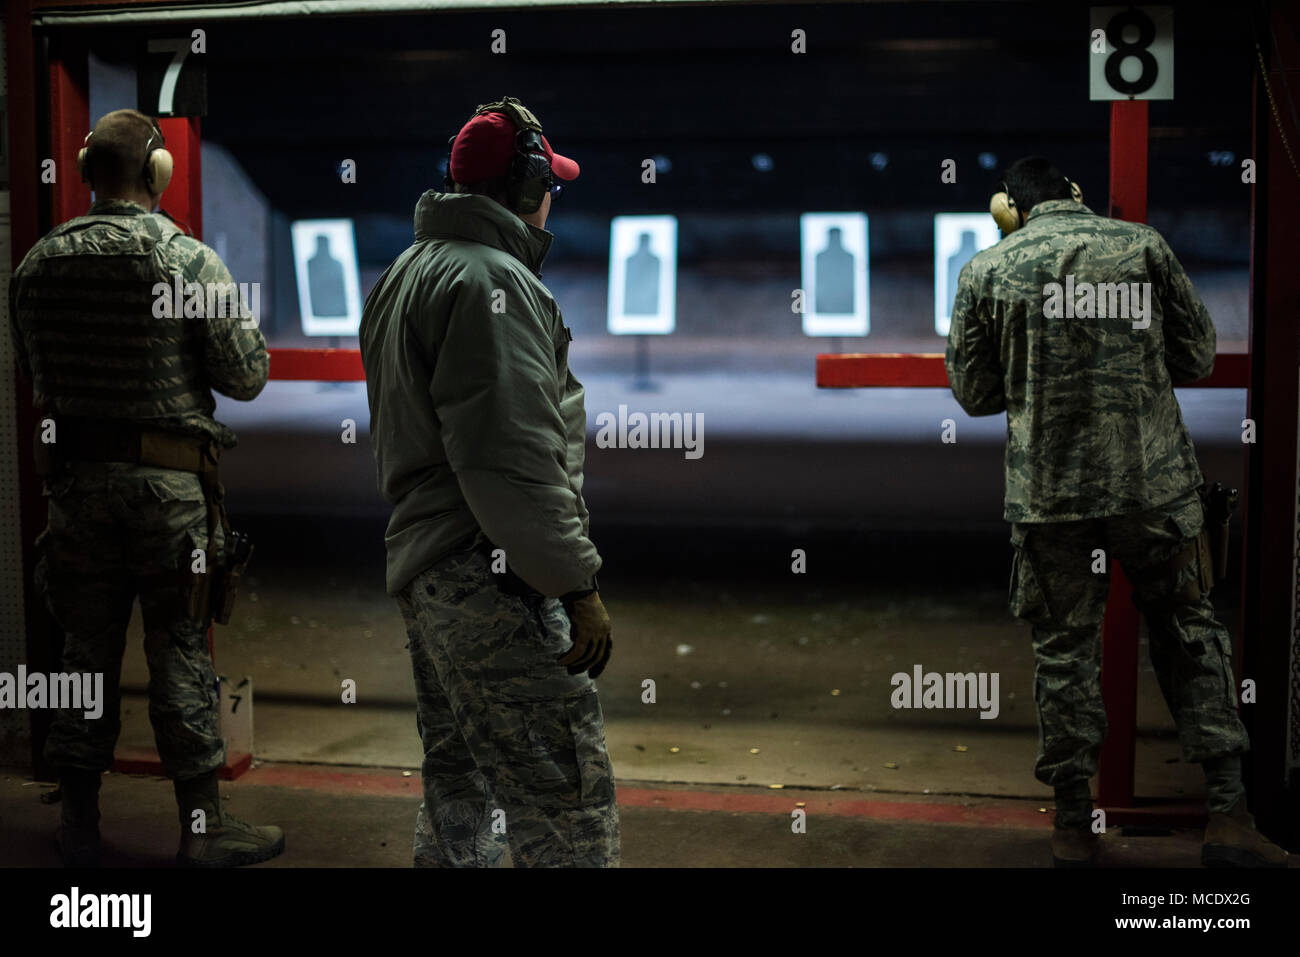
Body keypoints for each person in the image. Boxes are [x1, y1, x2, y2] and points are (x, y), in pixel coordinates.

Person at [945, 155, 1292, 868]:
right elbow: (1196, 354)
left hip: (1050, 498)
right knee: (1190, 632)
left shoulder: (985, 270)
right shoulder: (1142, 245)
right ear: (1075, 195)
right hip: (1153, 485)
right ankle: (1228, 811)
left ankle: (1073, 826)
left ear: (1008, 208)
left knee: (1063, 653)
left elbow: (975, 394)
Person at [9, 108, 282, 867]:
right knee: (182, 652)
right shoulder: (186, 262)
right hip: (170, 498)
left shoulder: (36, 266)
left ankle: (81, 828)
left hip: (76, 495)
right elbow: (249, 376)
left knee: (80, 655)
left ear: (87, 169)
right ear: (156, 174)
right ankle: (203, 828)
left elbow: (36, 373)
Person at [359, 96, 619, 867]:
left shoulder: (409, 269)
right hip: (491, 574)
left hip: (429, 570)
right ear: (530, 180)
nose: (551, 202)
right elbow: (510, 458)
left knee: (460, 790)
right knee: (561, 796)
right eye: (550, 184)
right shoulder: (491, 284)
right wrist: (575, 582)